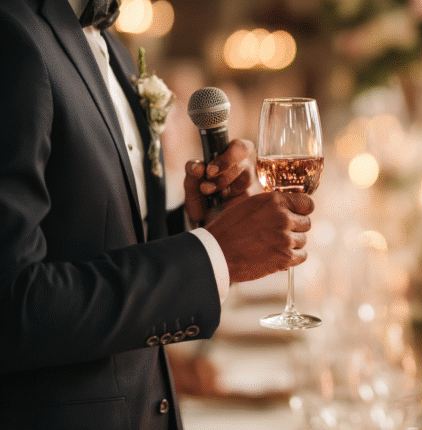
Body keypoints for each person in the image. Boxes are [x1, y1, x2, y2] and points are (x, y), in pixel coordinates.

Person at [0, 0, 314, 428]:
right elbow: (15, 303)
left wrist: (195, 225)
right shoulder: (13, 35)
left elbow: (98, 240)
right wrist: (211, 256)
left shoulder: (112, 48)